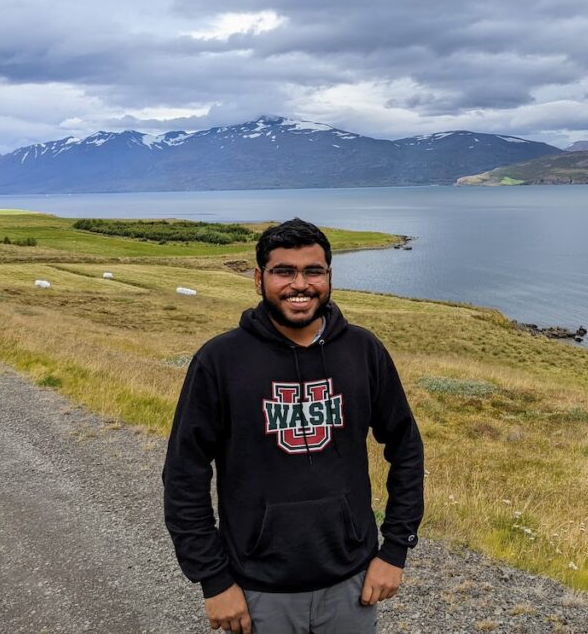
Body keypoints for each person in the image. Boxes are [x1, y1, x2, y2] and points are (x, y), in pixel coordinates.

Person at [163, 218, 424, 634]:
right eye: (284, 271)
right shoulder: (220, 361)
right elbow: (184, 474)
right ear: (258, 279)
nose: (299, 285)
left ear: (329, 277)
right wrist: (213, 579)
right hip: (255, 590)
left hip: (352, 583)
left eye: (313, 271)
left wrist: (395, 550)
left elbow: (406, 446)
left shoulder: (363, 350)